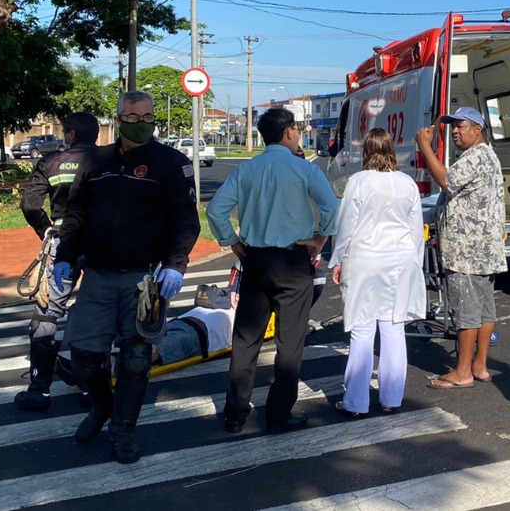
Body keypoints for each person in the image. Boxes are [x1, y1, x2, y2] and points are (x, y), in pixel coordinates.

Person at [53, 90, 200, 465]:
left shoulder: (171, 163)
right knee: (85, 357)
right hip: (98, 275)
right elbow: (76, 215)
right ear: (117, 121)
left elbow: (186, 220)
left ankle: (123, 430)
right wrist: (65, 256)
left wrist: (175, 264)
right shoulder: (95, 161)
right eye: (133, 118)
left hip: (145, 279)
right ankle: (103, 407)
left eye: (148, 116)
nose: (142, 123)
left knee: (136, 360)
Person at [207, 107, 339, 435]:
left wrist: (233, 243)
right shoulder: (303, 170)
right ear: (289, 132)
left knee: (246, 339)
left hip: (255, 260)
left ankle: (235, 413)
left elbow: (216, 209)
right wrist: (319, 239)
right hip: (293, 260)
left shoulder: (246, 169)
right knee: (289, 341)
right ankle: (278, 414)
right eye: (296, 129)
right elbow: (332, 208)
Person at [329, 128, 427, 416]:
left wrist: (338, 260)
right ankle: (391, 398)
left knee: (362, 328)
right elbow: (415, 230)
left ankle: (356, 402)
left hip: (366, 259)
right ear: (391, 152)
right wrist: (415, 266)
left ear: (366, 152)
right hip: (401, 259)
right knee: (394, 327)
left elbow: (346, 226)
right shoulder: (406, 182)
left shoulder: (358, 182)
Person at [14, 112, 100, 411]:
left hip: (62, 243)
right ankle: (92, 388)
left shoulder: (50, 162)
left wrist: (45, 231)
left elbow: (30, 204)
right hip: (103, 246)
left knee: (47, 314)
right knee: (96, 314)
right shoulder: (110, 159)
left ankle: (39, 390)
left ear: (71, 134)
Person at [415, 107, 506, 390]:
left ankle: (463, 371)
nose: (455, 130)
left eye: (461, 126)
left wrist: (425, 147)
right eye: (452, 126)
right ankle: (479, 365)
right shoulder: (486, 155)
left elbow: (446, 180)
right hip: (484, 248)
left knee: (466, 312)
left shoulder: (476, 157)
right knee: (483, 311)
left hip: (466, 250)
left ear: (477, 129)